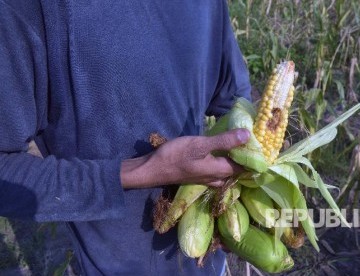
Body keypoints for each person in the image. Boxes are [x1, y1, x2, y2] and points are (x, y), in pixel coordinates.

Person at [0, 1, 252, 275]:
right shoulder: (28, 9)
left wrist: (242, 192)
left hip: (208, 254)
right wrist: (141, 171)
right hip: (114, 264)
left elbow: (232, 97)